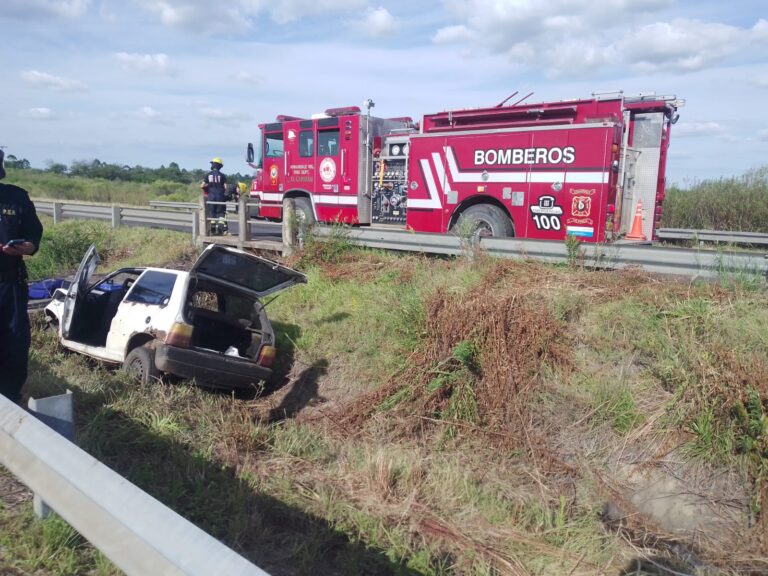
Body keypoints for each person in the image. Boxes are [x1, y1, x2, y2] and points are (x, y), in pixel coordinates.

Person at [0, 148, 44, 405]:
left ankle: (10, 400)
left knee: (15, 343)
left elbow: (34, 233)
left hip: (10, 286)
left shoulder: (16, 197)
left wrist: (28, 246)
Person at [201, 156, 227, 235]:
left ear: (213, 165)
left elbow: (202, 185)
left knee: (212, 213)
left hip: (211, 197)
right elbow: (225, 187)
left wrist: (208, 186)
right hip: (220, 197)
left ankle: (212, 230)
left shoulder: (208, 175)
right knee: (221, 213)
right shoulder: (222, 175)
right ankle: (220, 229)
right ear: (220, 166)